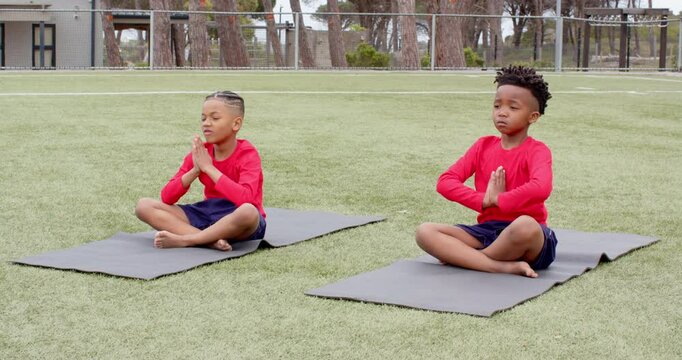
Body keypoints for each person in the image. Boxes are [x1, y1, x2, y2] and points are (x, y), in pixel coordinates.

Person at [415, 65, 557, 278]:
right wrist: (484, 201)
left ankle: (469, 258)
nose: (502, 112)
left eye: (513, 108)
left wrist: (500, 199)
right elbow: (445, 181)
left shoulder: (537, 150)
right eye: (497, 105)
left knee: (525, 225)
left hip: (528, 238)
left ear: (533, 116)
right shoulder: (483, 146)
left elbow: (541, 188)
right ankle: (498, 266)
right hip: (487, 231)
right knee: (425, 232)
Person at [135, 91, 266, 251]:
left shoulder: (247, 153)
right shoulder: (200, 153)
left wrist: (209, 169)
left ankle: (188, 239)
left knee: (248, 212)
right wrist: (195, 171)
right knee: (144, 206)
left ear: (236, 124)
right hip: (208, 213)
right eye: (203, 118)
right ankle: (210, 241)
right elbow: (167, 197)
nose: (206, 123)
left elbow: (247, 199)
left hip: (238, 219)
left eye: (215, 118)